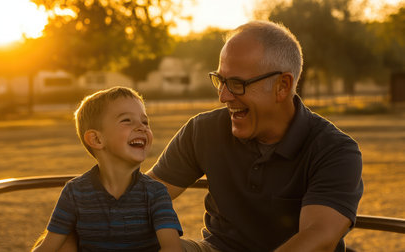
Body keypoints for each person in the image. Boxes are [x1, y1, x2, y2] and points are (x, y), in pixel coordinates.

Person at [147, 20, 363, 252]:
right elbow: (144, 200)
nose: (223, 96)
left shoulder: (335, 150)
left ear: (282, 85)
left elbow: (318, 238)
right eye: (220, 81)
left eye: (237, 84)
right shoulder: (203, 131)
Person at [32, 87, 183, 252]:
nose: (142, 127)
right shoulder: (75, 192)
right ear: (96, 139)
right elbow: (48, 247)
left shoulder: (155, 192)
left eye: (145, 122)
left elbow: (172, 248)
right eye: (127, 120)